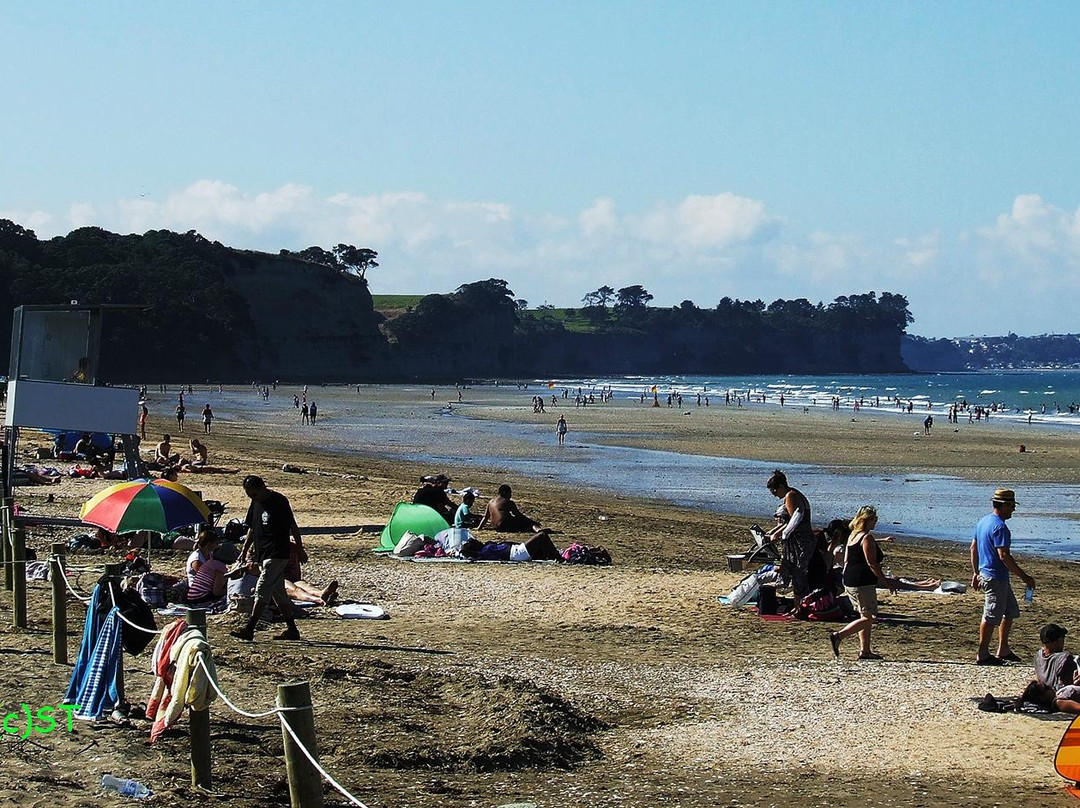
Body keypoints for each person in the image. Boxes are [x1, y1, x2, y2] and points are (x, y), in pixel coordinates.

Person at [230, 475, 307, 642]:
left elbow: (292, 526)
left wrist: (300, 549)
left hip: (277, 553)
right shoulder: (255, 502)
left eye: (254, 494)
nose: (252, 498)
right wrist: (244, 550)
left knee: (262, 590)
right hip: (262, 553)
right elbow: (252, 527)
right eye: (249, 495)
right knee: (279, 594)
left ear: (262, 488)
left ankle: (249, 629)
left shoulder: (279, 501)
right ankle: (292, 629)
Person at [971, 488, 1035, 665]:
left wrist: (976, 573)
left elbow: (973, 548)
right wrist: (1025, 577)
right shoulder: (1000, 527)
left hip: (993, 576)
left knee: (1010, 611)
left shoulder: (983, 522)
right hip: (994, 577)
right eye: (1012, 506)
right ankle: (982, 653)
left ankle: (1003, 648)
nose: (1014, 510)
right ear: (1004, 505)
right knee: (991, 615)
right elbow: (1004, 556)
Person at [828, 506, 899, 660]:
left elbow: (846, 561)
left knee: (864, 614)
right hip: (862, 581)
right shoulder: (866, 537)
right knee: (871, 617)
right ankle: (839, 635)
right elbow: (872, 563)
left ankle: (865, 651)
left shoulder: (853, 536)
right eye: (874, 519)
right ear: (867, 520)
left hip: (850, 579)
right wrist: (886, 582)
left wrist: (845, 579)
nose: (876, 522)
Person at [764, 470, 816, 601]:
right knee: (796, 570)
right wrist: (774, 532)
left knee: (798, 570)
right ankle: (798, 602)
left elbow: (794, 521)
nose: (775, 496)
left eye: (775, 492)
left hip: (800, 540)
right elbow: (788, 522)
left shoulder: (791, 496)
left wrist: (778, 534)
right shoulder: (793, 493)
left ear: (781, 486)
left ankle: (800, 604)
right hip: (800, 539)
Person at [477, 484, 546, 534]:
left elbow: (485, 517)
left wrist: (479, 528)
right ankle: (538, 530)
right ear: (505, 493)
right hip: (504, 525)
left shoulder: (490, 502)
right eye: (510, 493)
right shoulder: (508, 502)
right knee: (528, 523)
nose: (510, 495)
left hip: (496, 527)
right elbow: (518, 515)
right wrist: (532, 521)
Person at [460, 532, 563, 562]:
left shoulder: (486, 546)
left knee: (541, 545)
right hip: (517, 553)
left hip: (517, 552)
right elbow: (467, 553)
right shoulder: (483, 552)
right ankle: (559, 558)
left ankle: (554, 556)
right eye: (474, 542)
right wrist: (464, 550)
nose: (477, 540)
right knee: (542, 535)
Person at [1034, 623, 1077, 689]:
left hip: (1044, 694)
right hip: (1059, 696)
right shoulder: (1064, 659)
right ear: (1057, 642)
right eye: (1063, 637)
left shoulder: (1038, 656)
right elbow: (1066, 687)